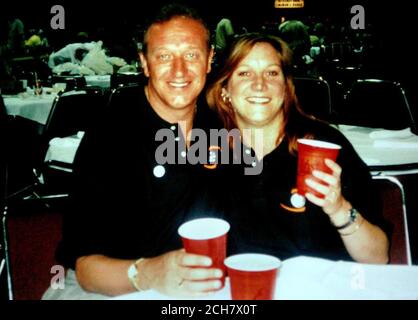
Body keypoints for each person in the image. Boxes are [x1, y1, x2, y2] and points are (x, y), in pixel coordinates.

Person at [42, 3, 224, 299]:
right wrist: (150, 272)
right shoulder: (111, 136)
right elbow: (87, 270)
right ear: (144, 62)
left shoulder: (220, 126)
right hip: (107, 286)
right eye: (164, 56)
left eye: (191, 54)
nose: (179, 70)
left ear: (209, 59)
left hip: (192, 287)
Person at [206, 33, 390, 264]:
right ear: (225, 91)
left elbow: (378, 257)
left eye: (272, 73)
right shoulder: (209, 152)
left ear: (285, 87)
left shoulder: (325, 145)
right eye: (244, 73)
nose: (260, 84)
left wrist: (339, 208)